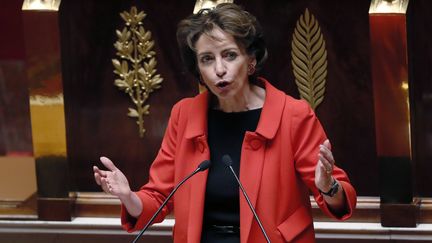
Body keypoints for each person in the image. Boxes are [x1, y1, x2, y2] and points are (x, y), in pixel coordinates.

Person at [93, 3, 357, 243]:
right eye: (207, 59)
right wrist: (128, 196)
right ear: (199, 70)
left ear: (251, 60)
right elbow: (158, 198)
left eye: (229, 55)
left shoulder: (293, 115)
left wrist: (328, 186)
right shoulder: (184, 115)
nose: (219, 69)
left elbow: (341, 202)